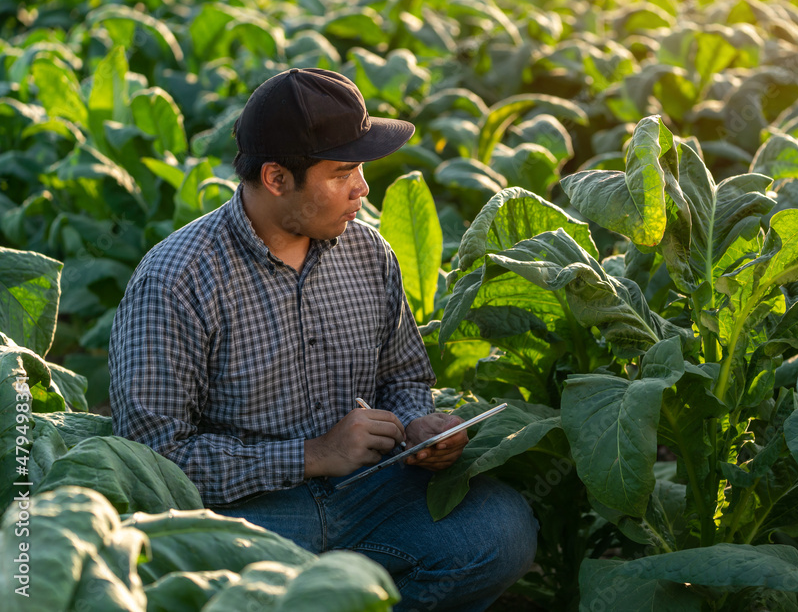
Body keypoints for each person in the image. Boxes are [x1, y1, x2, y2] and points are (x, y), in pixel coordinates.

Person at [109, 68, 537, 611]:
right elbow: (155, 461)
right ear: (276, 178)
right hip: (249, 513)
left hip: (369, 491)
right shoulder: (175, 280)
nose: (363, 188)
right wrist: (313, 454)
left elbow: (401, 375)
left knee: (502, 532)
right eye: (342, 172)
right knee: (210, 589)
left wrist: (416, 427)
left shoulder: (367, 251)